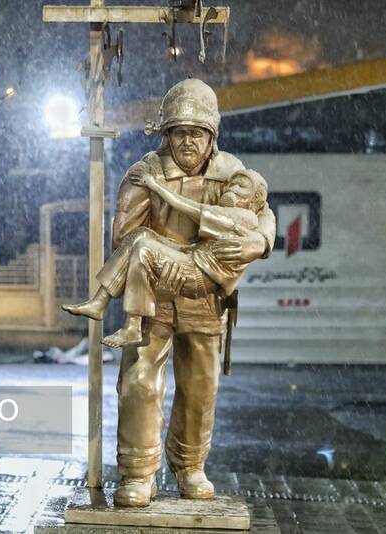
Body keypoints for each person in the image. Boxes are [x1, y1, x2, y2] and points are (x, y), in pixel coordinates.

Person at [107, 78, 276, 507]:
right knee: (140, 381)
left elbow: (262, 214)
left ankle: (190, 465)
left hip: (206, 296)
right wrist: (171, 256)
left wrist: (261, 242)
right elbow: (124, 236)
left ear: (211, 136)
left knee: (201, 386)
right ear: (166, 134)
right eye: (180, 132)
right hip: (155, 292)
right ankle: (138, 471)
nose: (188, 142)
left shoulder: (232, 173)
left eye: (197, 133)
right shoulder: (146, 173)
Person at [62, 169, 268, 348]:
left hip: (200, 274)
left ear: (255, 198)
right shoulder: (231, 213)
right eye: (232, 183)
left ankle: (133, 327)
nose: (231, 188)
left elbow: (192, 209)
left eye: (241, 186)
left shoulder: (245, 217)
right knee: (140, 235)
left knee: (144, 249)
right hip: (192, 256)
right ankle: (100, 301)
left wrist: (155, 185)